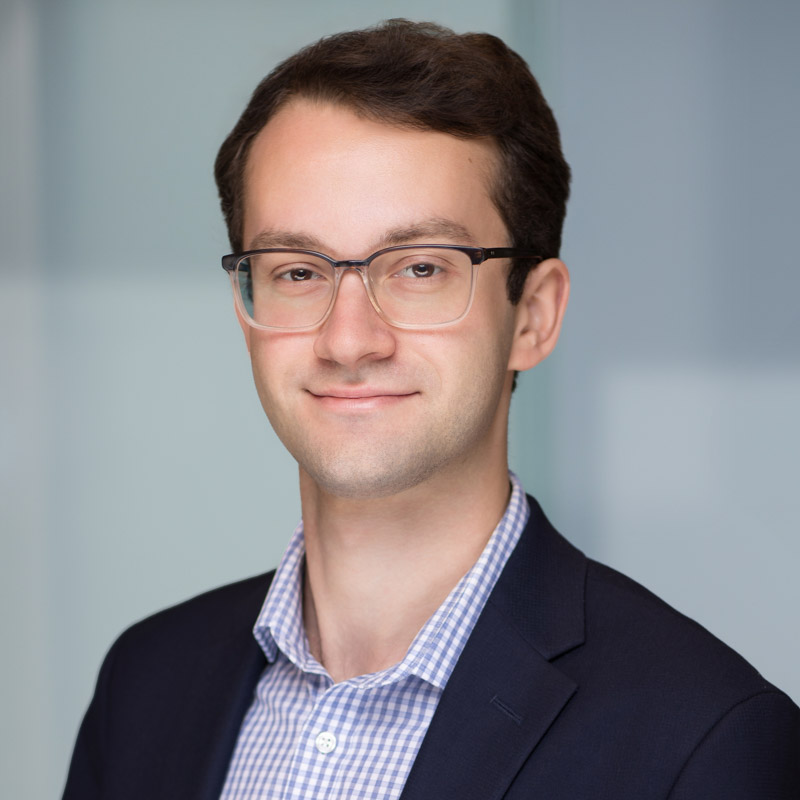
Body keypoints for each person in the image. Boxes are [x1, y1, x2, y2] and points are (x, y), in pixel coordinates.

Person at [63, 19, 799, 799]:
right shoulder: (144, 686)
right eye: (297, 271)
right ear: (247, 306)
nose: (350, 339)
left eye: (420, 268)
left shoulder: (706, 741)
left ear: (533, 316)